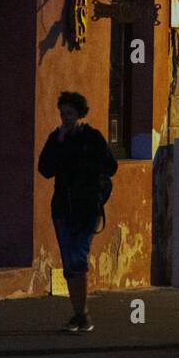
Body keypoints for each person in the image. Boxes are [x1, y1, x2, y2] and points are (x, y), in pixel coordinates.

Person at [38, 91, 117, 332]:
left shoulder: (91, 138)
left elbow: (110, 166)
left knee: (78, 258)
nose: (66, 118)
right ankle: (79, 314)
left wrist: (87, 171)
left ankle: (82, 315)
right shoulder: (56, 138)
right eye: (63, 114)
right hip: (62, 207)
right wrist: (58, 144)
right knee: (70, 263)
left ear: (79, 114)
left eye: (70, 114)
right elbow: (45, 169)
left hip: (86, 208)